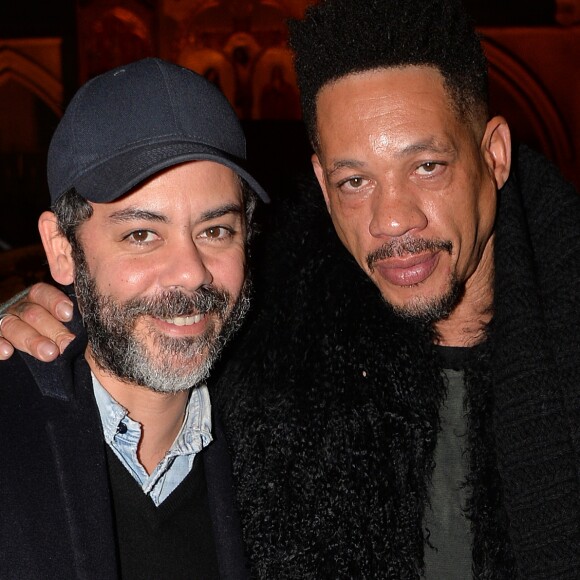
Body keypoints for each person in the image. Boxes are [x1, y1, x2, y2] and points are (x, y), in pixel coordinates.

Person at [2, 0, 580, 577]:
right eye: (355, 180)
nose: (394, 218)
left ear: (494, 155)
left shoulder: (243, 370)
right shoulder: (273, 366)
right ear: (325, 189)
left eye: (427, 166)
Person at [0, 57, 270, 578]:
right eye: (141, 234)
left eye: (215, 230)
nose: (191, 274)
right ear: (62, 249)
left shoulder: (286, 439)